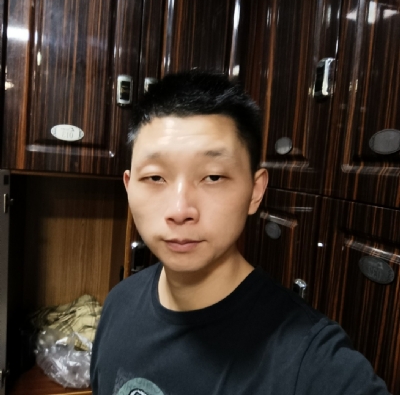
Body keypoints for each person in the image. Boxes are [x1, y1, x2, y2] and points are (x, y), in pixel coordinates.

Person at [90, 71, 389, 395]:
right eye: (155, 177)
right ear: (129, 186)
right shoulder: (118, 304)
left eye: (213, 177)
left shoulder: (310, 362)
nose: (180, 209)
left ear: (255, 191)